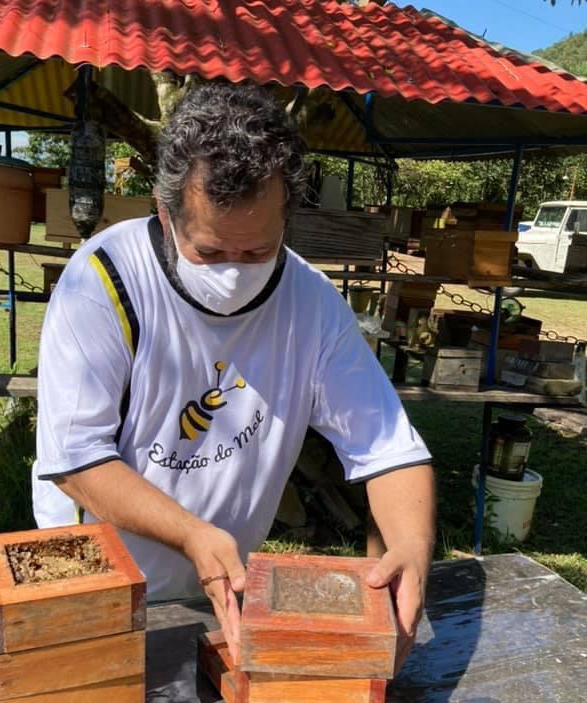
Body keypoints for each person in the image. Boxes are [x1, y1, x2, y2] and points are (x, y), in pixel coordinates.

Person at [32, 82, 435, 650]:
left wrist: (412, 547)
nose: (232, 272)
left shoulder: (312, 304)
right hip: (99, 574)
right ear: (165, 213)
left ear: (286, 220)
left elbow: (389, 451)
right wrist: (190, 533)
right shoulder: (101, 282)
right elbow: (76, 459)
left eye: (256, 251)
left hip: (224, 581)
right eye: (209, 251)